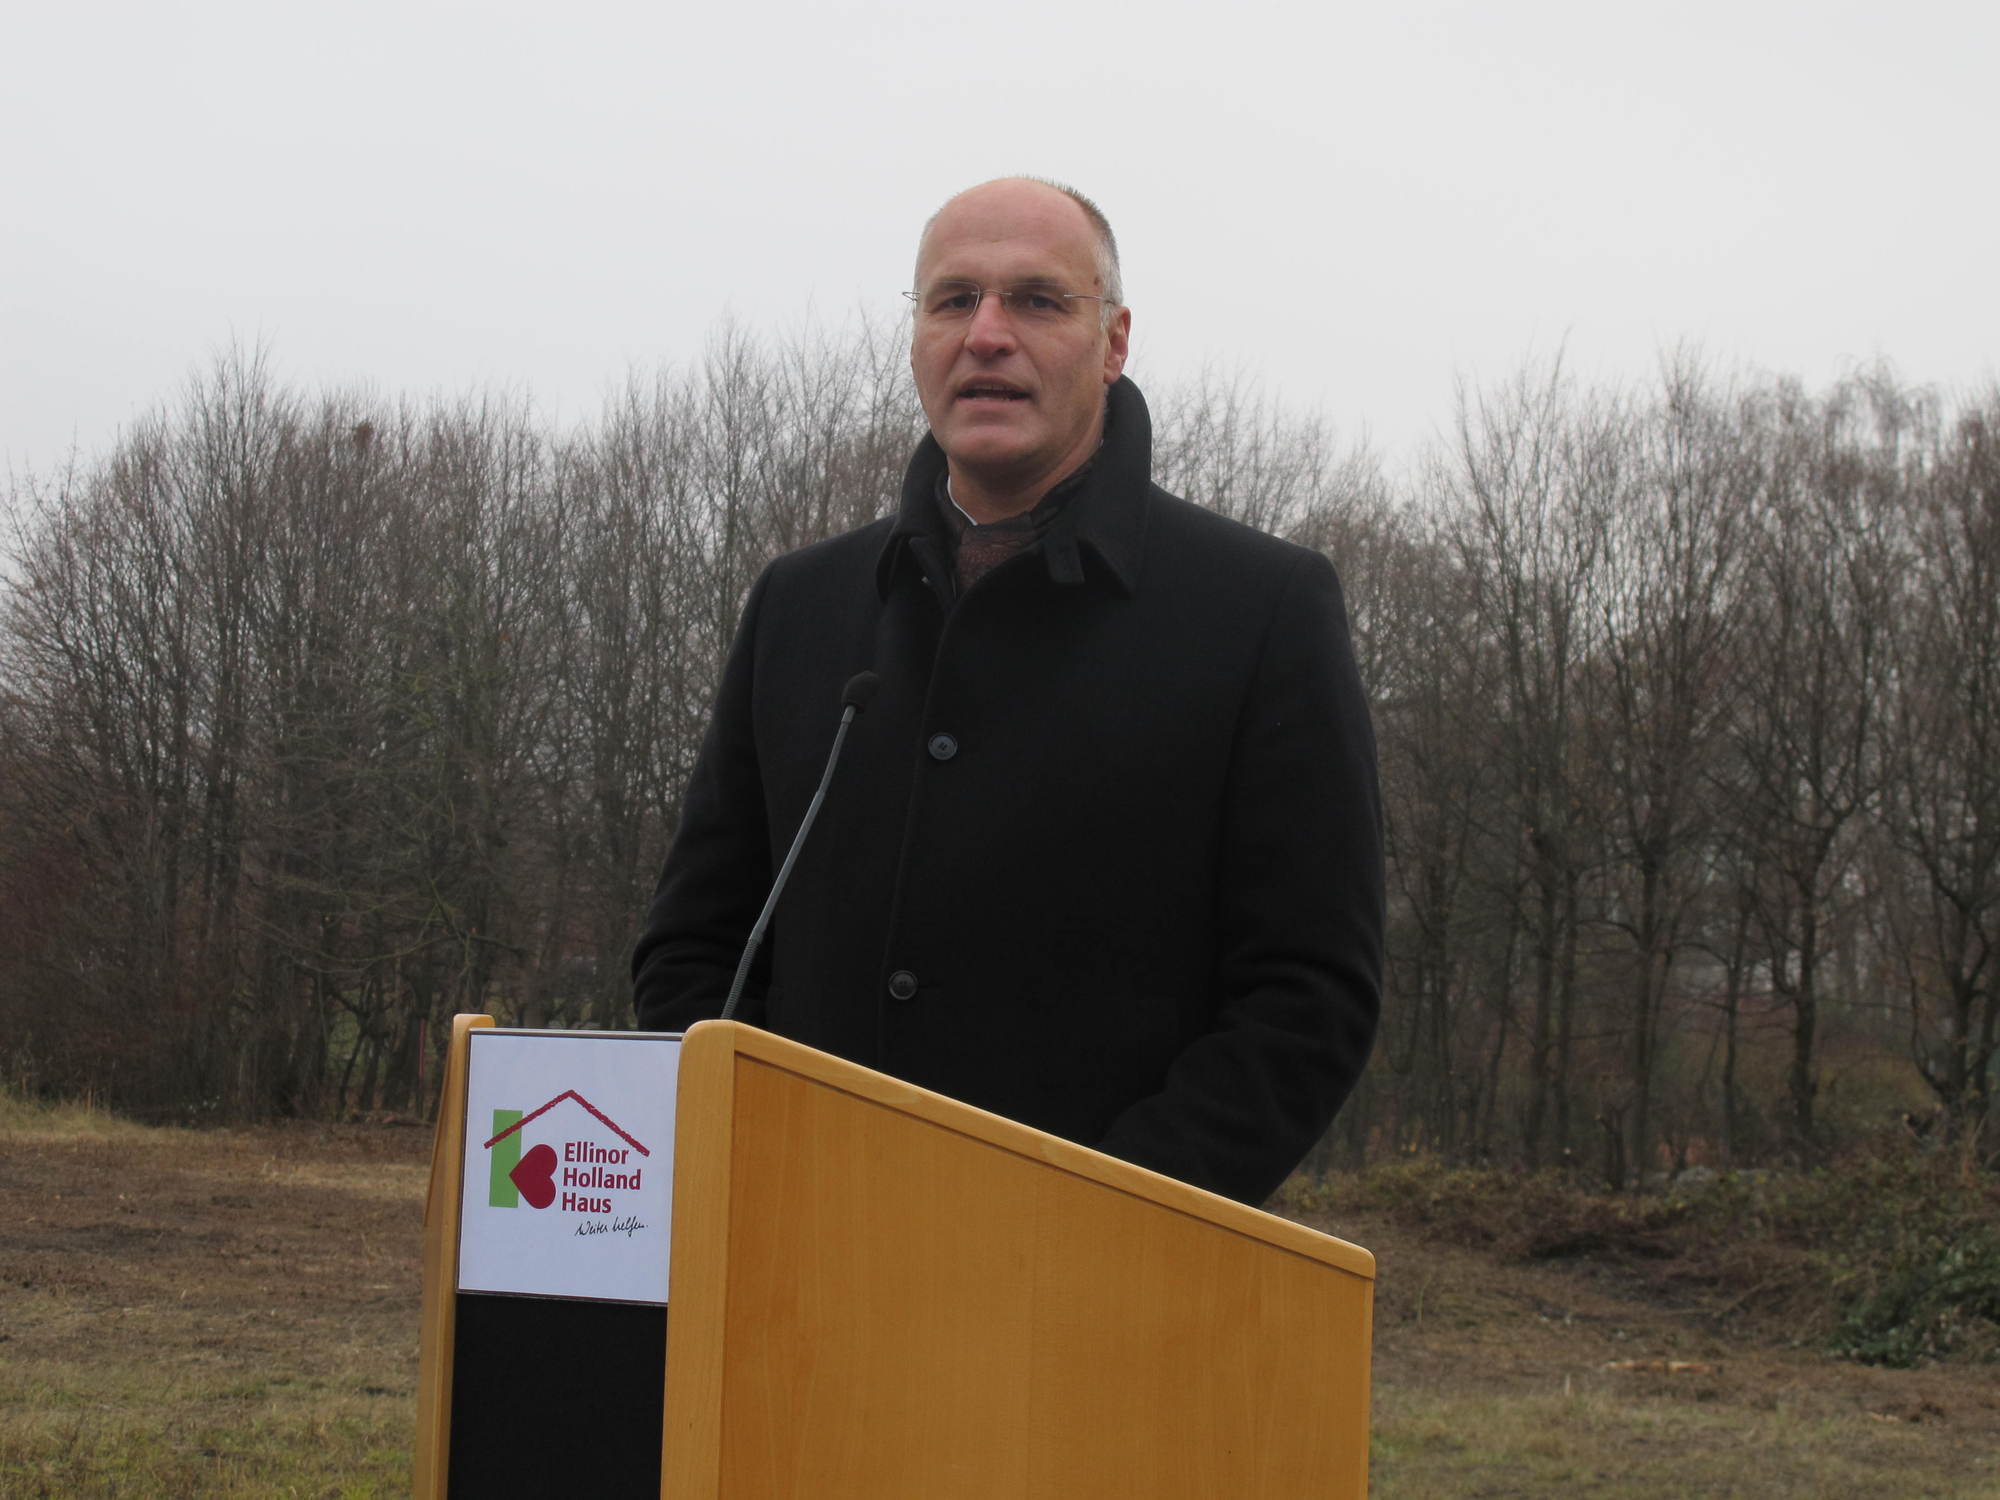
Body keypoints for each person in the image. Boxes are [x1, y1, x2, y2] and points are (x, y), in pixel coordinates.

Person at [632, 177, 1381, 1206]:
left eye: (1036, 300)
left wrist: (1106, 1212)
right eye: (951, 301)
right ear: (914, 340)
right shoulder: (800, 606)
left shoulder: (1260, 608)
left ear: (1113, 341)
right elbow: (694, 951)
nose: (984, 334)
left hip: (1103, 1291)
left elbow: (1307, 995)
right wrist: (763, 1159)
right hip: (794, 1256)